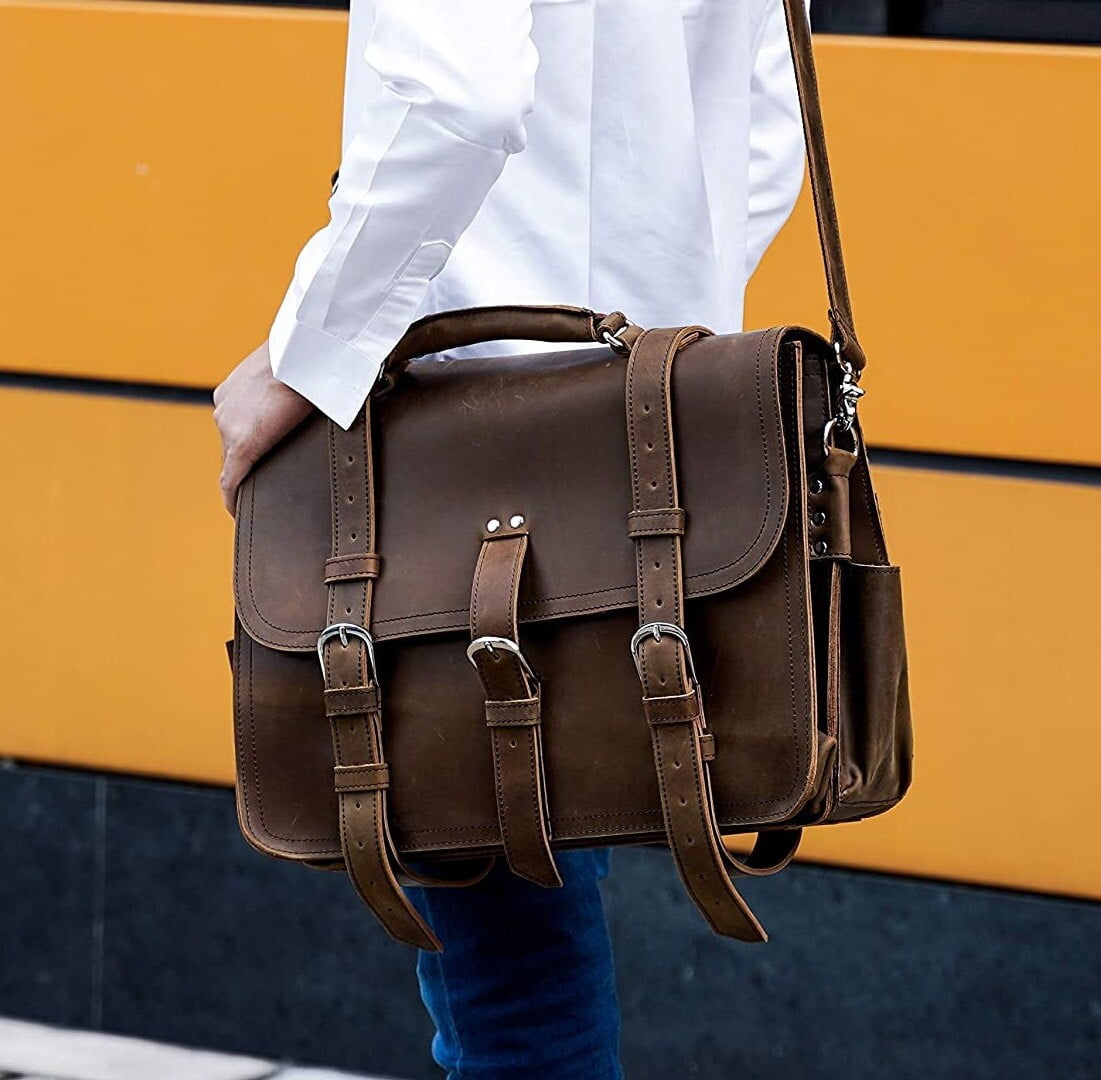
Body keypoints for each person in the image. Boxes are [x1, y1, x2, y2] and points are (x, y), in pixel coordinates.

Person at [213, 2, 808, 1076]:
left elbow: (462, 95)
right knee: (529, 914)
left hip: (458, 433)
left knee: (509, 983)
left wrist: (313, 347)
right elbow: (766, 115)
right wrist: (661, 315)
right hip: (645, 430)